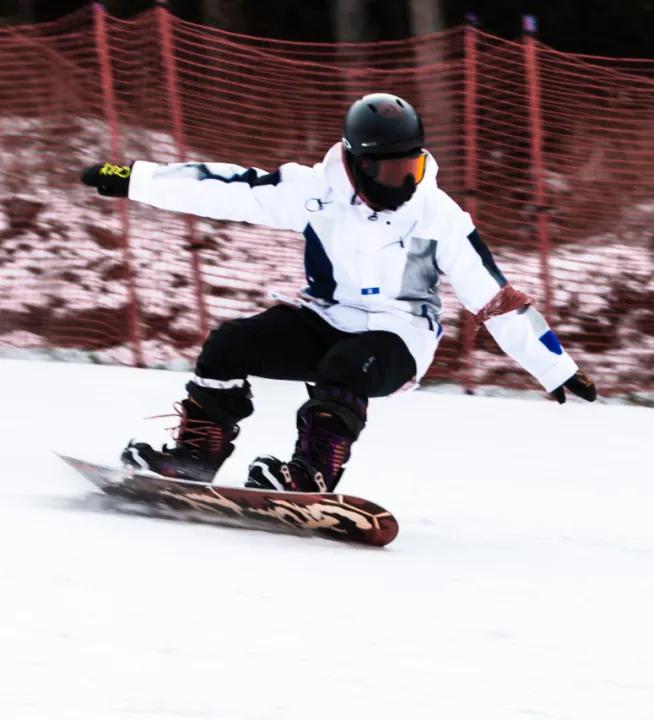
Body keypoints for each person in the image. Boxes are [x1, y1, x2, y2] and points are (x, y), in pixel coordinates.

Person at [79, 92, 596, 493]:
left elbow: (495, 299)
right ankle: (194, 458)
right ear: (357, 163)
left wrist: (554, 366)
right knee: (228, 344)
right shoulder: (315, 193)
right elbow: (228, 188)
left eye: (412, 168)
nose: (402, 183)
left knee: (345, 366)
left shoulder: (439, 217)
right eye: (390, 170)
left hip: (399, 340)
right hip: (325, 319)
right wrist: (136, 179)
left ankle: (311, 474)